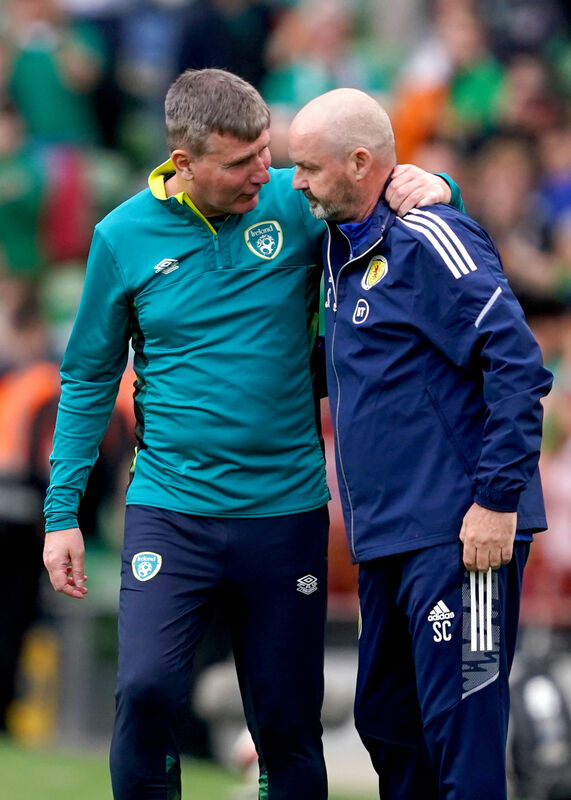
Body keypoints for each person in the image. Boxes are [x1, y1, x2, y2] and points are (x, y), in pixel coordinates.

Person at [42, 68, 458, 800]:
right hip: (171, 510)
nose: (265, 172)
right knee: (145, 694)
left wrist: (433, 184)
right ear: (183, 162)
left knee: (287, 724)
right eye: (241, 162)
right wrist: (62, 515)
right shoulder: (121, 237)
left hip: (284, 510)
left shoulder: (294, 201)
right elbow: (86, 379)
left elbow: (378, 185)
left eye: (267, 151)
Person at [288, 88, 553, 800]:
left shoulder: (430, 237)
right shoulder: (338, 249)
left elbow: (518, 366)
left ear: (360, 162)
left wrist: (495, 501)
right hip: (385, 538)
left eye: (308, 167)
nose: (296, 183)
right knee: (387, 725)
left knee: (459, 739)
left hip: (460, 534)